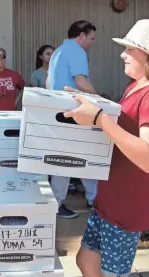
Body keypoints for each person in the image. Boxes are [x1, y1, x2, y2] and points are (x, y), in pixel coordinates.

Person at [64, 19, 149, 277]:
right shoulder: (135, 87)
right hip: (110, 197)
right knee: (86, 259)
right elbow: (121, 125)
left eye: (130, 49)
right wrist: (89, 104)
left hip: (126, 203)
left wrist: (98, 118)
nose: (122, 54)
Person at [47, 20, 99, 218]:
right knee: (84, 157)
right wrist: (98, 99)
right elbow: (81, 80)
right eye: (91, 38)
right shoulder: (77, 51)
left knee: (66, 159)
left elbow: (48, 82)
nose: (92, 43)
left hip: (59, 111)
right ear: (81, 36)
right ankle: (93, 201)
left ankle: (63, 201)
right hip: (75, 111)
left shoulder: (58, 52)